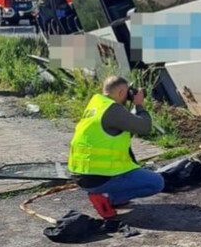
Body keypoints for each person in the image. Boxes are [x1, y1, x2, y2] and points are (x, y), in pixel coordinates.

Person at [68, 76, 164, 219]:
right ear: (120, 92)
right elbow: (145, 127)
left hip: (82, 176)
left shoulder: (96, 105)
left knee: (139, 173)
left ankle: (108, 197)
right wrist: (139, 105)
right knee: (157, 182)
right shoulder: (113, 110)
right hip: (101, 177)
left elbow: (125, 125)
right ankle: (108, 198)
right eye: (127, 92)